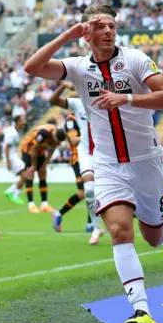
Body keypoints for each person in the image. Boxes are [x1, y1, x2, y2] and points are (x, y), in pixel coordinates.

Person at [24, 3, 163, 323]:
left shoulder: (136, 59)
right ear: (86, 33)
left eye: (112, 24)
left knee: (151, 236)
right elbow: (32, 67)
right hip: (108, 164)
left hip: (146, 162)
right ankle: (141, 310)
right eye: (100, 26)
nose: (109, 30)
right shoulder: (79, 68)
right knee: (120, 232)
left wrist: (127, 99)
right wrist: (67, 34)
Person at [50, 82, 104, 244]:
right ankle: (96, 227)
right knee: (88, 191)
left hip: (105, 152)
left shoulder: (105, 101)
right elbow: (53, 100)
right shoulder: (77, 104)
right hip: (86, 153)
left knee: (108, 191)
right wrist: (63, 86)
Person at [20, 123, 67, 213]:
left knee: (42, 174)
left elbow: (51, 150)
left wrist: (44, 165)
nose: (55, 142)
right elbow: (34, 148)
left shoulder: (58, 136)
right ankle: (31, 205)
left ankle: (44, 204)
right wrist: (34, 166)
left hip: (41, 151)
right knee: (30, 174)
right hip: (29, 150)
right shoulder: (43, 133)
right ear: (54, 133)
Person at [3, 113, 27, 205]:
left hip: (13, 156)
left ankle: (11, 192)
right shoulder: (12, 133)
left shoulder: (16, 131)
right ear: (17, 122)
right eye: (22, 120)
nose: (24, 121)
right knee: (25, 176)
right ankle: (14, 195)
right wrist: (8, 161)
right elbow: (7, 147)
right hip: (11, 157)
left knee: (25, 176)